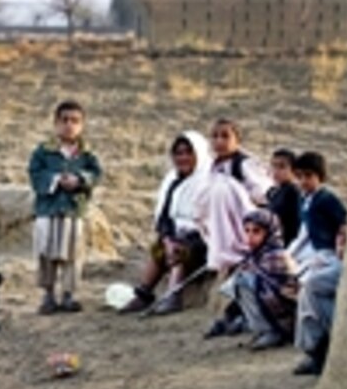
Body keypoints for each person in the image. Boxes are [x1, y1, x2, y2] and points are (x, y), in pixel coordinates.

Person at [118, 130, 211, 315]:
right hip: (177, 236)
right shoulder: (172, 179)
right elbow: (164, 217)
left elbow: (209, 221)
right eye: (178, 153)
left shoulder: (208, 179)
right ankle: (144, 294)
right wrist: (168, 238)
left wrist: (178, 239)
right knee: (159, 247)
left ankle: (173, 296)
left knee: (179, 249)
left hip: (204, 241)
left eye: (188, 152)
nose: (183, 157)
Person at [27, 100, 102, 314]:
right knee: (46, 253)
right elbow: (34, 174)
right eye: (64, 120)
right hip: (48, 210)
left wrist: (80, 180)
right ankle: (48, 295)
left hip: (73, 211)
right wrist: (56, 180)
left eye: (75, 121)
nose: (69, 125)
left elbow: (96, 174)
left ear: (82, 125)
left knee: (73, 253)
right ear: (56, 123)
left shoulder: (87, 154)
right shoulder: (43, 152)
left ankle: (69, 295)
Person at [203, 118, 274, 338]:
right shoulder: (214, 166)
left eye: (225, 136)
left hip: (246, 225)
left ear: (237, 139)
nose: (220, 141)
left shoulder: (243, 164)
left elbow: (262, 192)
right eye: (215, 136)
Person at [286, 151, 347, 375]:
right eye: (300, 176)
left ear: (320, 176)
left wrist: (342, 246)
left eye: (308, 176)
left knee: (312, 287)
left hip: (332, 257)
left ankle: (331, 343)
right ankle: (316, 349)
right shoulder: (305, 201)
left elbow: (345, 223)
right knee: (306, 296)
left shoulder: (326, 198)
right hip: (317, 257)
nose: (303, 181)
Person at [226, 209, 299, 350]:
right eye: (247, 231)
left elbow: (285, 292)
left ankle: (272, 332)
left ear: (269, 232)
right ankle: (262, 330)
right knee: (237, 283)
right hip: (273, 309)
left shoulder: (277, 255)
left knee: (243, 281)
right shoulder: (257, 254)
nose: (250, 237)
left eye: (256, 231)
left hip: (286, 316)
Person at [267, 148, 302, 246]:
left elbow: (296, 225)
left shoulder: (293, 192)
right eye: (274, 166)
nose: (276, 171)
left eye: (282, 167)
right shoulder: (274, 191)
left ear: (294, 170)